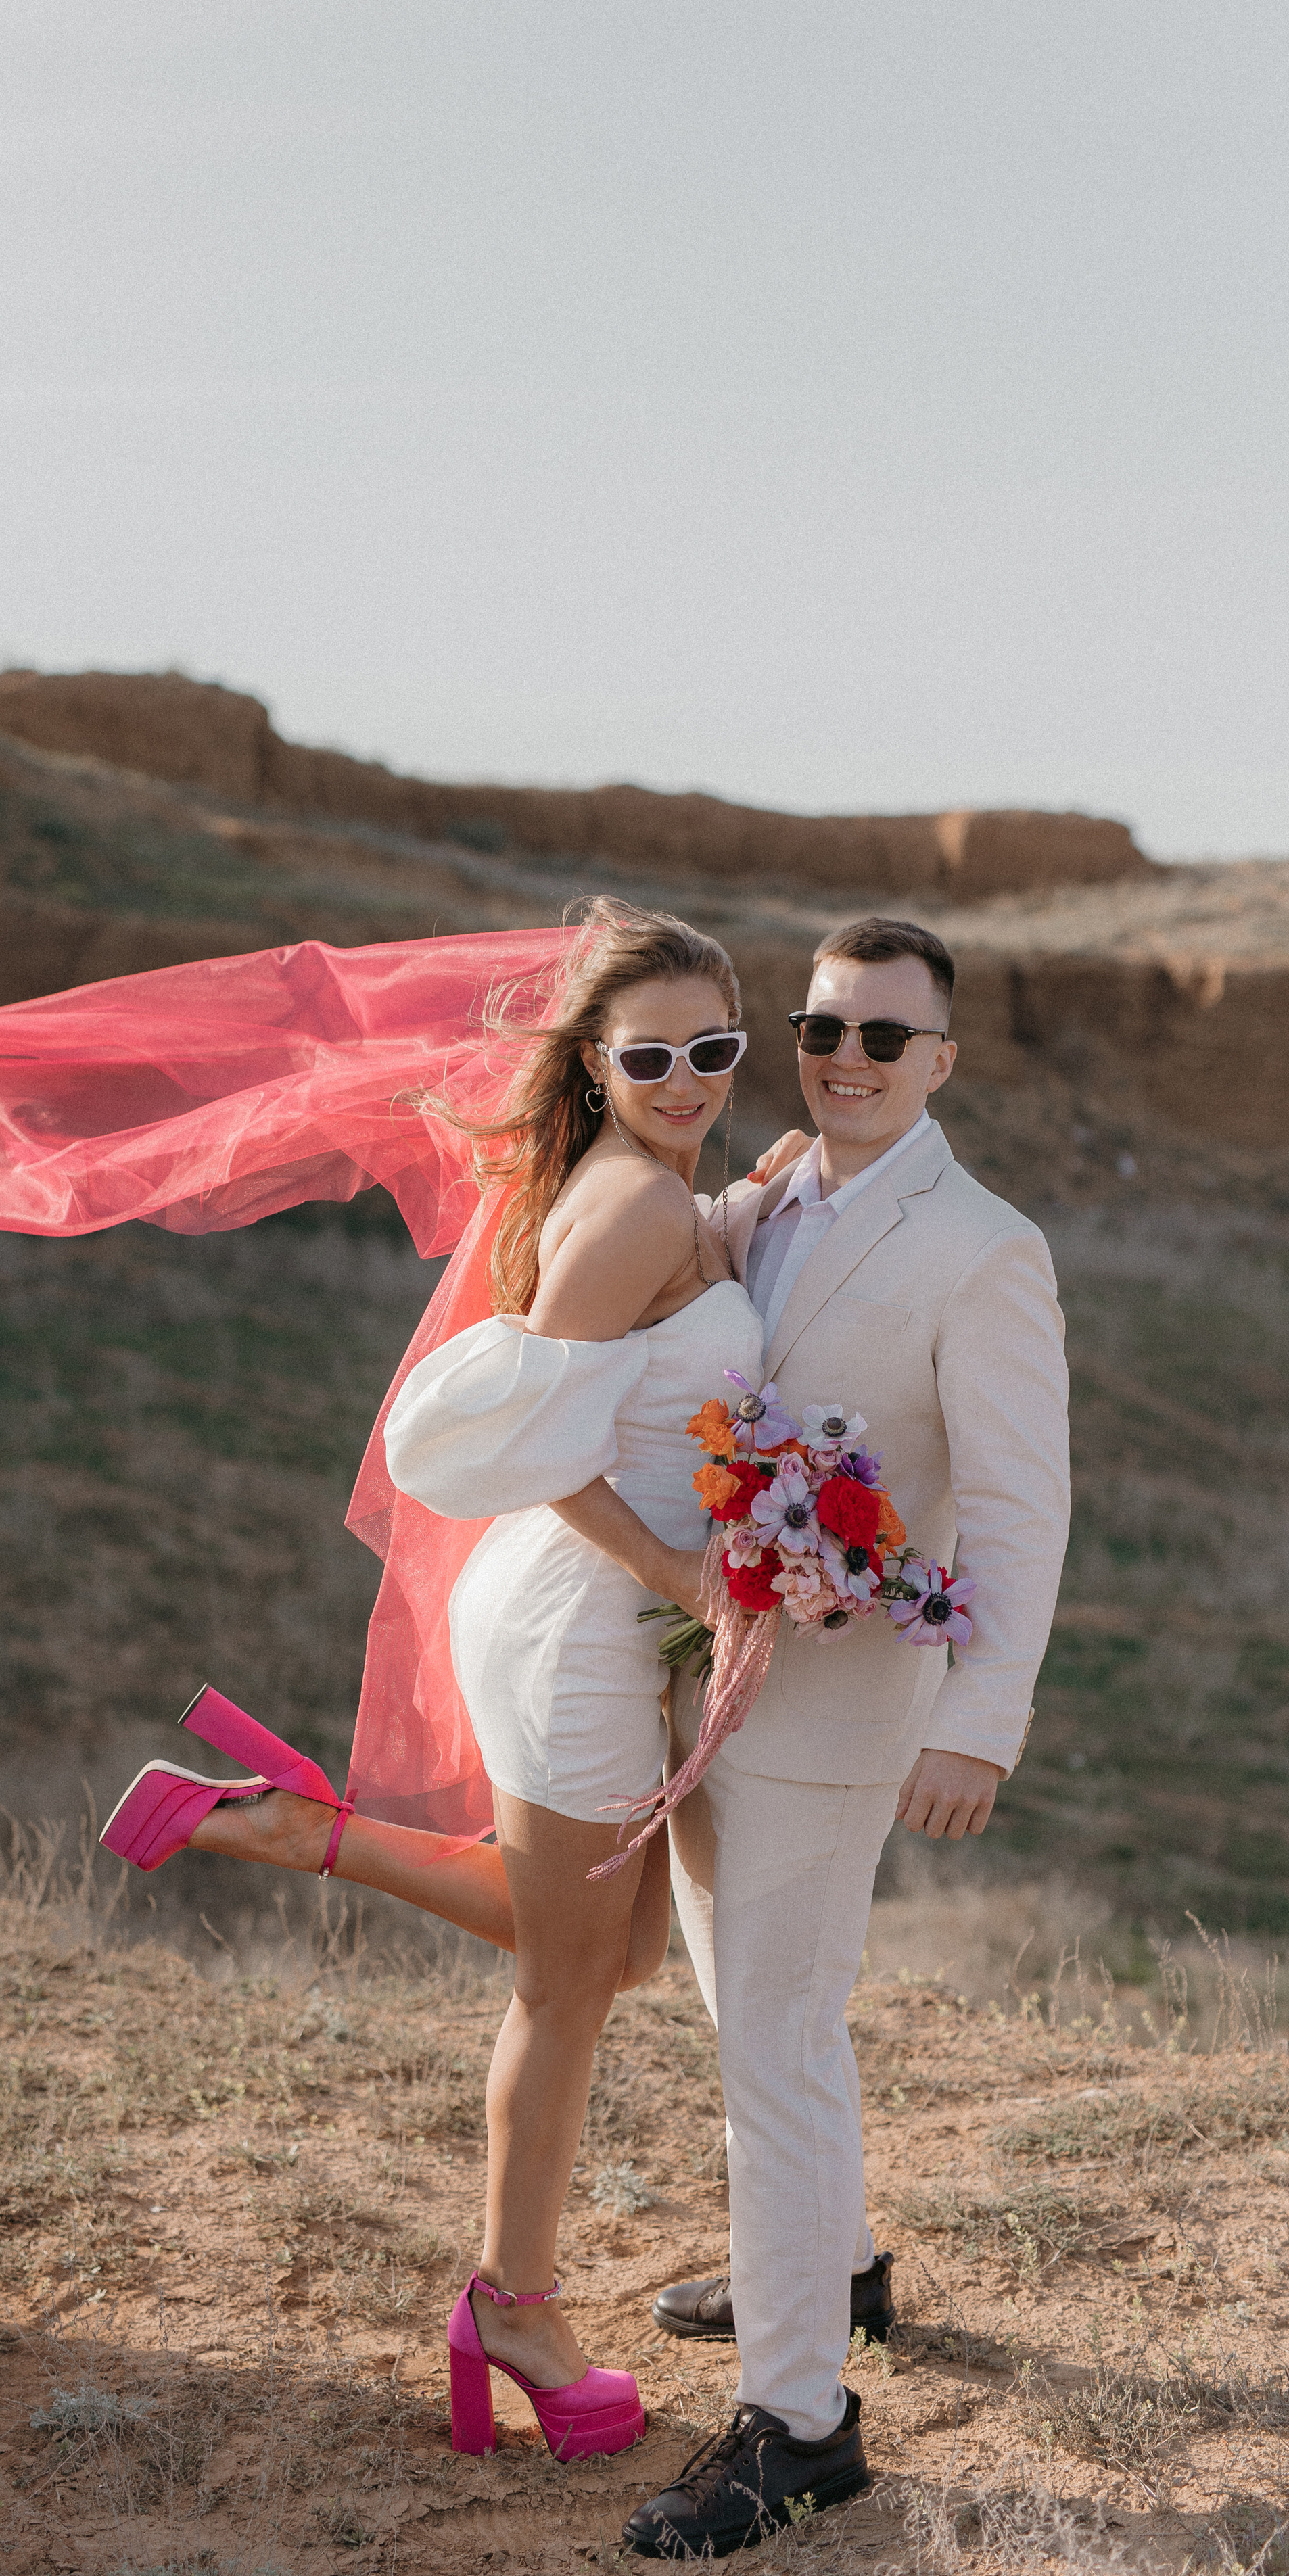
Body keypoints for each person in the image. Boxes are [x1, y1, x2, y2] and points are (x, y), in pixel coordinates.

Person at [101, 898, 784, 2463]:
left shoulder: (658, 1192)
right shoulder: (625, 1212)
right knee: (567, 1988)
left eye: (713, 1049)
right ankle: (514, 2308)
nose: (686, 1079)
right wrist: (681, 1575)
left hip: (596, 1621)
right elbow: (525, 1449)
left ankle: (294, 1831)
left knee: (597, 1958)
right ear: (598, 1064)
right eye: (651, 1055)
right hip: (580, 1622)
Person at [613, 915, 1071, 2559]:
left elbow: (1021, 1505)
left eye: (886, 1037)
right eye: (822, 1030)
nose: (848, 1060)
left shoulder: (983, 1246)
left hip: (847, 1707)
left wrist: (982, 1721)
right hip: (713, 1682)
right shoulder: (765, 1198)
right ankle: (837, 2264)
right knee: (765, 2009)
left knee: (773, 2040)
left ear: (941, 1061)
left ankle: (799, 2425)